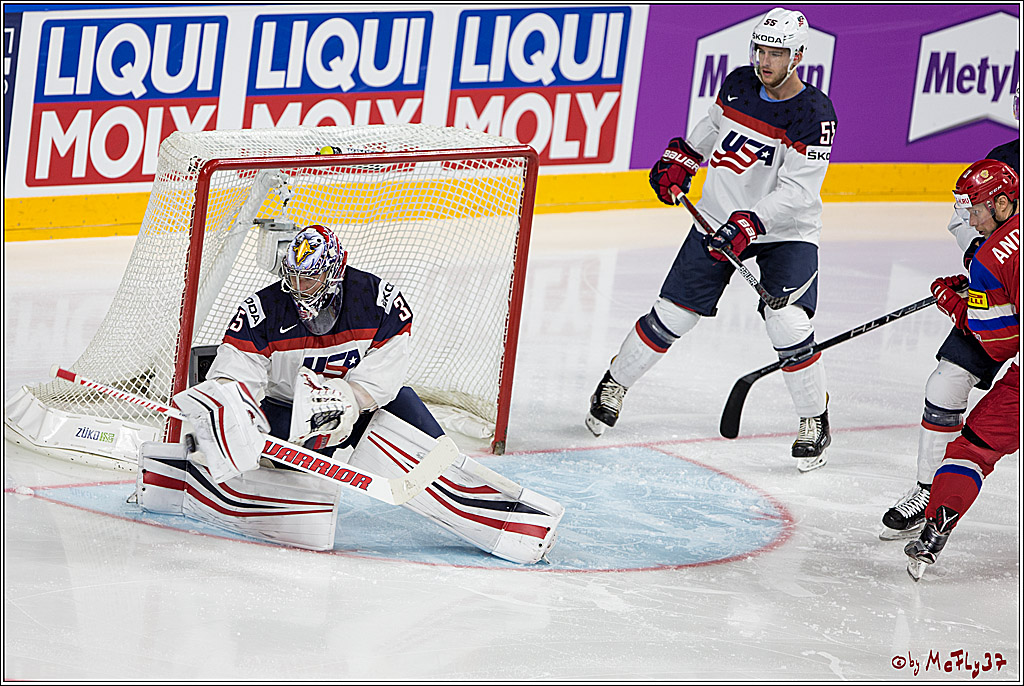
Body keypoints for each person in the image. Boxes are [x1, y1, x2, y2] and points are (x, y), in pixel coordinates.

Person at [195, 224, 562, 563]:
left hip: (359, 403)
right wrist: (237, 420)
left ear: (335, 272)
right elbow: (233, 377)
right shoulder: (261, 311)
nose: (301, 287)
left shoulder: (376, 301)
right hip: (288, 411)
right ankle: (267, 480)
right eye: (293, 277)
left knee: (430, 449)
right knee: (303, 498)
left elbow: (388, 371)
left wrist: (351, 399)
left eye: (311, 276)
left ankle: (491, 513)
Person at [586, 7, 838, 472]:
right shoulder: (739, 82)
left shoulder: (815, 114)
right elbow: (713, 127)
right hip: (718, 221)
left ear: (798, 56)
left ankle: (813, 420)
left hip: (785, 233)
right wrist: (684, 157)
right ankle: (614, 383)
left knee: (787, 324)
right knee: (672, 315)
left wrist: (752, 223)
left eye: (777, 53)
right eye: (761, 50)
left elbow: (799, 193)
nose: (765, 60)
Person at [880, 87, 1019, 539]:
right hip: (998, 296)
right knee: (946, 382)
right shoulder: (1001, 159)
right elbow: (964, 217)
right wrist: (982, 257)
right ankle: (930, 492)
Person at [904, 159, 1019, 580]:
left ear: (1003, 204)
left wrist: (955, 303)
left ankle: (934, 530)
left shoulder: (989, 259)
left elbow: (1001, 343)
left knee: (971, 450)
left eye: (976, 211)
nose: (970, 221)